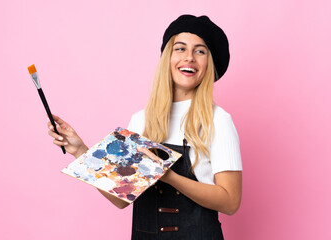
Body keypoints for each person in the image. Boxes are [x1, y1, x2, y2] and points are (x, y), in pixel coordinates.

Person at [48, 15, 242, 240]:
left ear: (209, 64)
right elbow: (121, 199)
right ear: (167, 57)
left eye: (200, 51)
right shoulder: (140, 120)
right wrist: (80, 151)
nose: (189, 57)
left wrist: (170, 177)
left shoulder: (218, 120)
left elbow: (230, 202)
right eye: (180, 48)